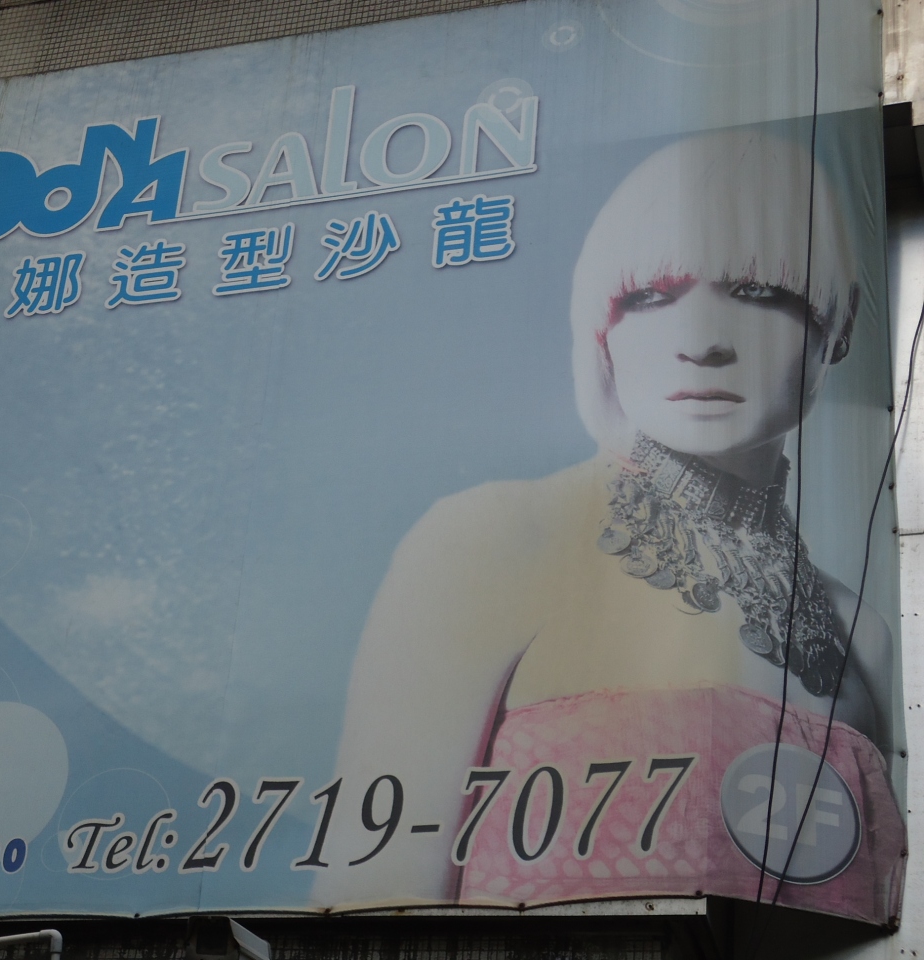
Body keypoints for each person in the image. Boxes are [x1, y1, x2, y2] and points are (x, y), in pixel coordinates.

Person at [314, 130, 902, 921]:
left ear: (841, 324)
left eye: (759, 291)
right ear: (602, 329)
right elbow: (369, 901)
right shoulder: (495, 540)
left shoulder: (863, 637)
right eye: (650, 295)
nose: (702, 342)